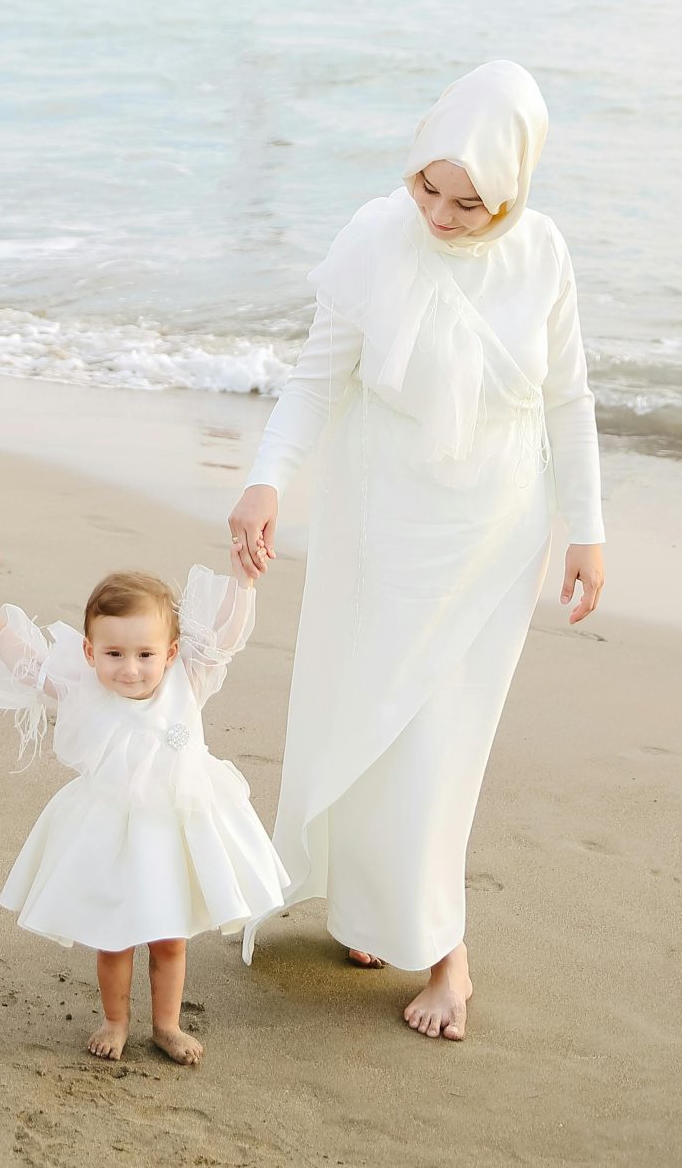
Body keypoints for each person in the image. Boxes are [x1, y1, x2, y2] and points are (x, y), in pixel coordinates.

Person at [228, 59, 605, 1041]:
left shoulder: (543, 254)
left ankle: (447, 955)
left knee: (442, 735)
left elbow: (568, 398)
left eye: (468, 203)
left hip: (493, 532)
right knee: (363, 712)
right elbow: (317, 379)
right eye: (427, 188)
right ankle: (371, 911)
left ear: (512, 190)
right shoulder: (372, 236)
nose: (439, 215)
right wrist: (267, 479)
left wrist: (588, 529)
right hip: (378, 518)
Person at [0, 565, 287, 1066]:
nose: (130, 669)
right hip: (110, 833)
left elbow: (224, 636)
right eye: (113, 654)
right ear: (89, 651)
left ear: (170, 653)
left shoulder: (187, 679)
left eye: (145, 655)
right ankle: (115, 1020)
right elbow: (30, 667)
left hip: (173, 832)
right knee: (113, 939)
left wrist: (244, 584)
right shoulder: (82, 685)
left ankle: (167, 1024)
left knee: (169, 939)